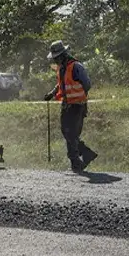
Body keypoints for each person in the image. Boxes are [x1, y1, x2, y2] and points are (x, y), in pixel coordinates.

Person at [42, 40, 97, 172]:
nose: (55, 61)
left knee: (71, 134)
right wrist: (52, 94)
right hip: (67, 105)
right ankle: (84, 155)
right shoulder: (62, 68)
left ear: (62, 55)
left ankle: (76, 163)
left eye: (56, 58)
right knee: (68, 133)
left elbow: (87, 84)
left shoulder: (76, 66)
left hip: (77, 106)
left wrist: (79, 97)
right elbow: (61, 85)